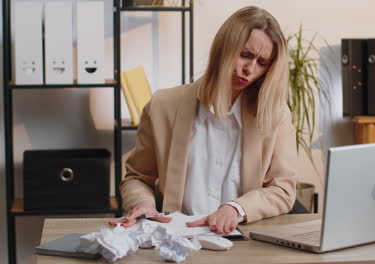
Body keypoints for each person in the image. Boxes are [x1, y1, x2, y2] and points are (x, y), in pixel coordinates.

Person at [109, 5, 297, 235]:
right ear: (223, 49)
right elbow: (137, 178)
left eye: (262, 62)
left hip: (243, 241)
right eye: (245, 55)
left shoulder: (276, 115)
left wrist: (236, 208)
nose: (249, 69)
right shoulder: (162, 106)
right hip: (177, 237)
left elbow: (283, 190)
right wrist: (142, 203)